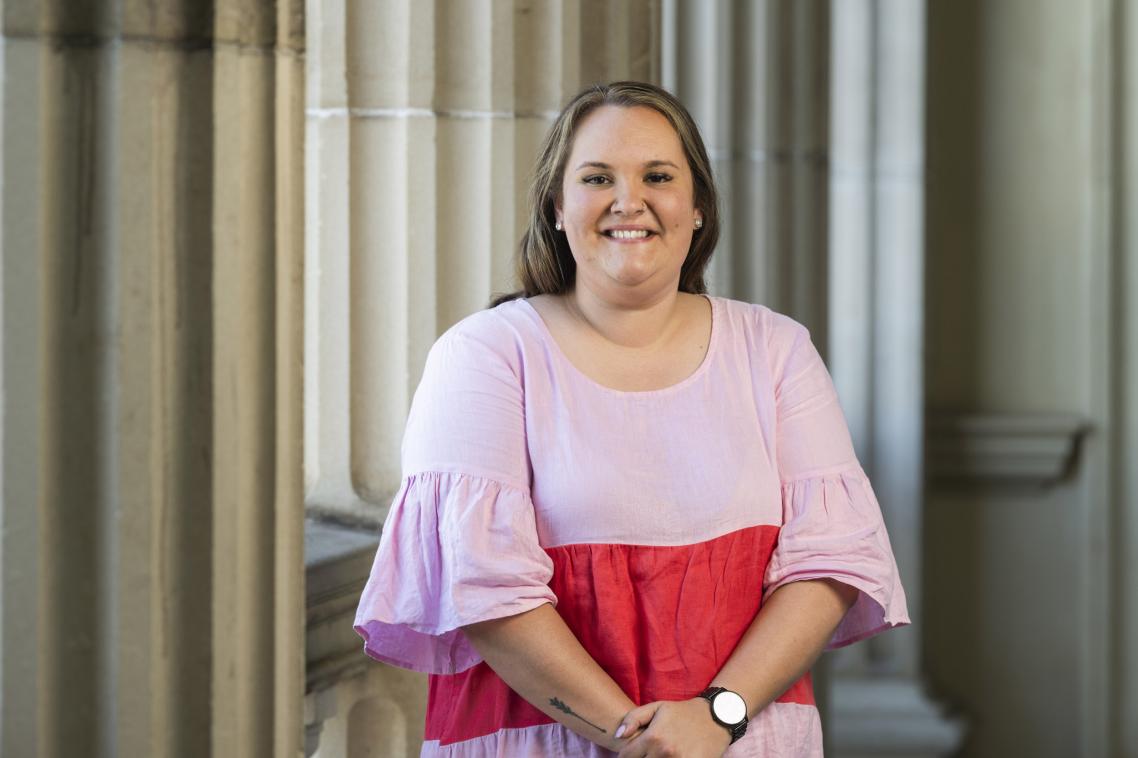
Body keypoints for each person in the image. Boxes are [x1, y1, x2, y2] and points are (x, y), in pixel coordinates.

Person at [354, 80, 909, 757]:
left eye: (657, 176)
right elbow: (483, 589)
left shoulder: (774, 349)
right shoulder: (485, 355)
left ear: (697, 206)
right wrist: (640, 741)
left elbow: (827, 563)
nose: (629, 200)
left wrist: (714, 716)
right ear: (558, 207)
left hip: (738, 741)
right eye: (596, 177)